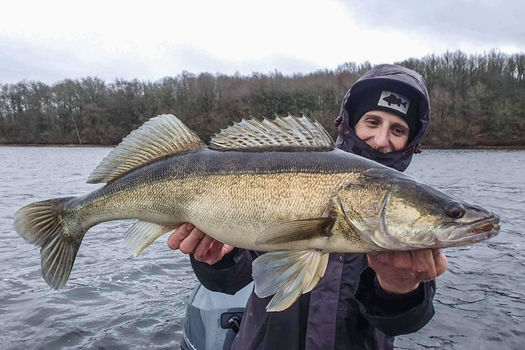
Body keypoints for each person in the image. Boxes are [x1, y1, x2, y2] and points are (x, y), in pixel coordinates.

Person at [168, 64, 448, 350]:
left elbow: (404, 323)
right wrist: (218, 260)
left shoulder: (408, 211)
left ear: (411, 143)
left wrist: (400, 289)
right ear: (350, 122)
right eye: (373, 122)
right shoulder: (290, 167)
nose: (380, 140)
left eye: (398, 129)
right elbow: (231, 280)